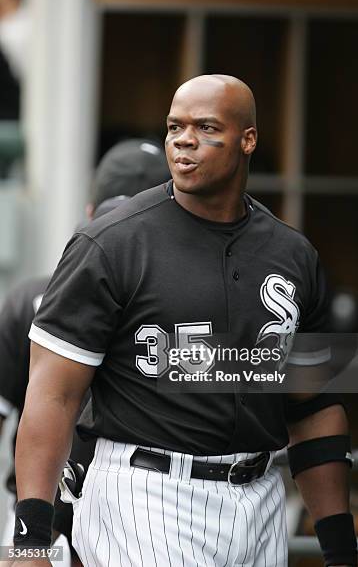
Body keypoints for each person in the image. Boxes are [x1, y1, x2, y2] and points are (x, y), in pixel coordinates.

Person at [12, 75, 357, 567]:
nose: (184, 140)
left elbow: (314, 406)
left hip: (259, 497)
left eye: (206, 127)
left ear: (248, 139)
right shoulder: (111, 244)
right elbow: (53, 395)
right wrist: (28, 542)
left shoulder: (293, 254)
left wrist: (341, 550)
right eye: (175, 127)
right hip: (146, 492)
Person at [0, 137, 170, 566]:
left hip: (47, 510)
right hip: (129, 512)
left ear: (89, 211)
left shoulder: (31, 297)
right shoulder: (181, 301)